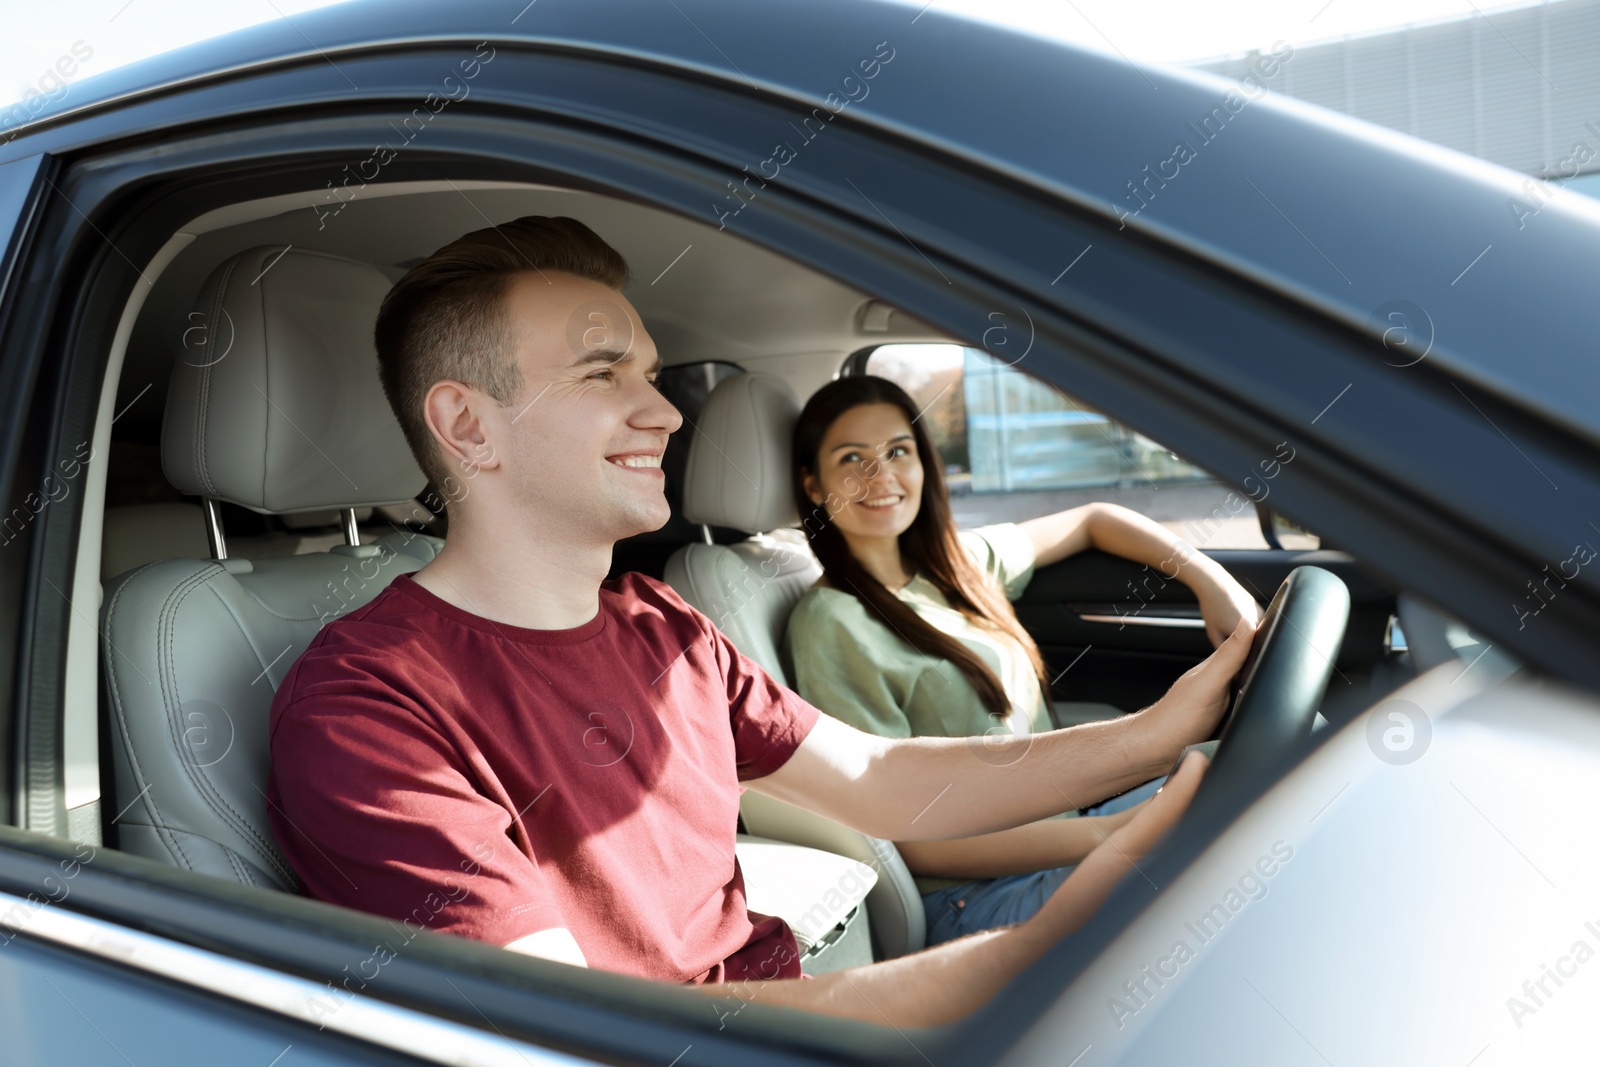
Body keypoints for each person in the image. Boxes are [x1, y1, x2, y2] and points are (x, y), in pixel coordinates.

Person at [265, 215, 1258, 1029]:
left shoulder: (661, 624)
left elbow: (878, 777)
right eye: (603, 372)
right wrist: (1039, 946)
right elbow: (572, 1030)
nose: (663, 411)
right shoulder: (368, 705)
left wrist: (1153, 735)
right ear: (468, 425)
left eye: (652, 374)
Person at [784, 375, 1264, 947]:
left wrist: (1212, 582)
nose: (881, 475)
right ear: (814, 486)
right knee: (1231, 873)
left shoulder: (960, 567)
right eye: (851, 459)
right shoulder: (830, 624)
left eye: (897, 451)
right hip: (976, 894)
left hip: (1068, 833)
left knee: (1265, 771)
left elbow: (1094, 519)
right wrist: (1109, 836)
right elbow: (903, 837)